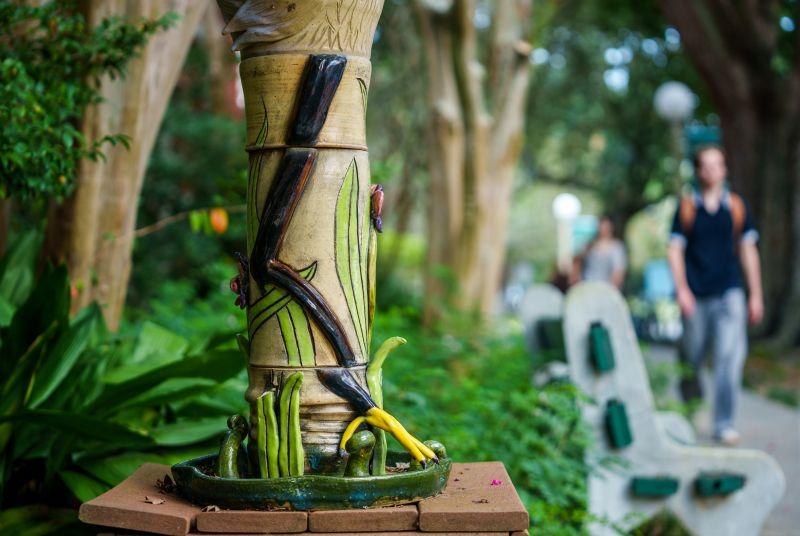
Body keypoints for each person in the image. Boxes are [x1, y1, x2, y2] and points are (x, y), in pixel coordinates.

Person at [667, 145, 763, 446]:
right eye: (705, 165)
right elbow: (674, 250)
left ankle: (723, 423)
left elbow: (748, 250)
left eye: (717, 164)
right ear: (698, 171)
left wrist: (755, 294)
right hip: (695, 295)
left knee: (728, 359)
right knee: (691, 358)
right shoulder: (686, 209)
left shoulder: (735, 207)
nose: (712, 170)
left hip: (729, 292)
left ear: (724, 170)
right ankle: (690, 415)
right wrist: (682, 289)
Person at [576, 216, 627, 289]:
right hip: (587, 286)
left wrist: (611, 289)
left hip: (606, 288)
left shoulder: (617, 247)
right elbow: (578, 263)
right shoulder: (589, 246)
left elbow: (619, 271)